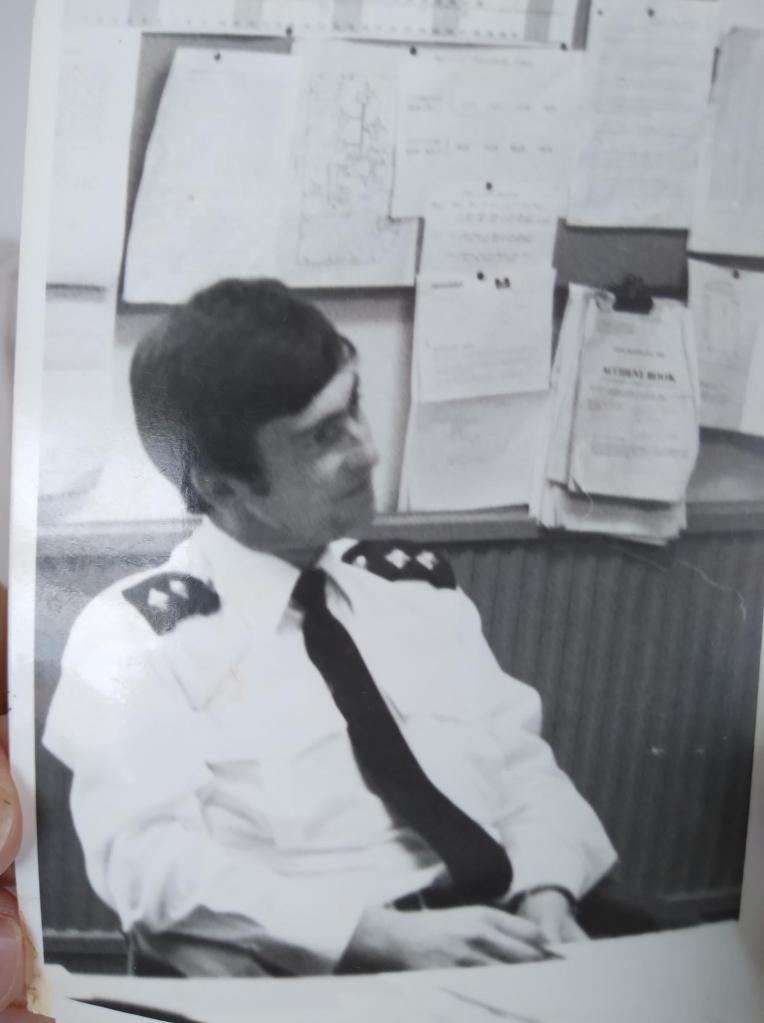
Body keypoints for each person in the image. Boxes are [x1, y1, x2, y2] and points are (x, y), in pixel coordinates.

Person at [43, 279, 617, 978]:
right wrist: (382, 938)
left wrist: (549, 890)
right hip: (329, 970)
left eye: (354, 408)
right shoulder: (134, 638)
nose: (366, 451)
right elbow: (149, 862)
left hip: (511, 933)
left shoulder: (412, 591)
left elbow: (521, 767)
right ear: (222, 486)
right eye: (321, 436)